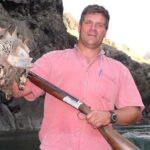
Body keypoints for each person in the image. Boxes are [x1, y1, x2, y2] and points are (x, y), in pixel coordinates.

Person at [12, 4, 144, 150]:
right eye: (88, 22)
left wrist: (109, 116)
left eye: (99, 25)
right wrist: (9, 64)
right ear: (80, 26)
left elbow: (135, 113)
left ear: (105, 32)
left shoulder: (120, 70)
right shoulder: (51, 60)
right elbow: (18, 89)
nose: (93, 28)